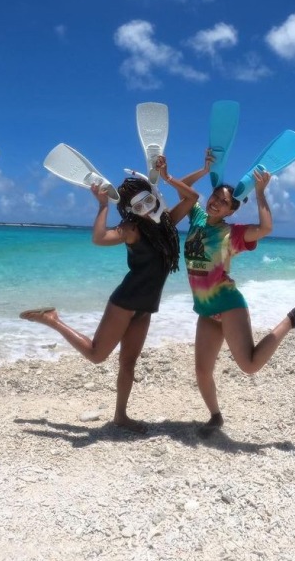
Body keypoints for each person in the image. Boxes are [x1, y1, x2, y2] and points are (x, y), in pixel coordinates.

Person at [20, 156, 199, 433]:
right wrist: (103, 206)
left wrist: (167, 177)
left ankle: (121, 416)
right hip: (126, 301)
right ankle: (53, 319)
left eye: (147, 202)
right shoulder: (131, 229)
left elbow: (192, 198)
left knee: (128, 362)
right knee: (96, 355)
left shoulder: (167, 223)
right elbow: (99, 238)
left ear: (154, 197)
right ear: (128, 210)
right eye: (136, 207)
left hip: (147, 307)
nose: (143, 209)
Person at [180, 153, 295, 437]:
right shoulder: (196, 217)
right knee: (201, 370)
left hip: (229, 305)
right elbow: (183, 187)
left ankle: (292, 319)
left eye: (223, 202)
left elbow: (266, 228)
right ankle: (216, 417)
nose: (215, 202)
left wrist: (260, 192)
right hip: (206, 310)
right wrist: (204, 169)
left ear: (231, 211)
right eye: (215, 197)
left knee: (249, 365)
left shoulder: (232, 234)